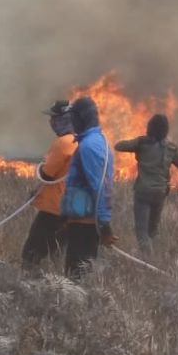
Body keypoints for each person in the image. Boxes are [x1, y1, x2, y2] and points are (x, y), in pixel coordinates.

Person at [114, 114, 178, 255]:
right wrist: (171, 146)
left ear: (149, 127)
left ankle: (148, 259)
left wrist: (139, 143)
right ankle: (156, 255)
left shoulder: (142, 143)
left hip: (143, 192)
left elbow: (119, 146)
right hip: (160, 193)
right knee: (153, 228)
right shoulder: (171, 147)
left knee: (142, 230)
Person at [61, 96, 117, 279]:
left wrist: (105, 225)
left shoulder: (88, 146)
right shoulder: (97, 141)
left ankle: (77, 306)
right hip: (81, 220)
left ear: (81, 118)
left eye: (73, 118)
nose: (72, 123)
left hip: (84, 223)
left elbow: (100, 187)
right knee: (81, 272)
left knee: (76, 276)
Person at [21, 100, 77, 270]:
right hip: (73, 206)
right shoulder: (81, 140)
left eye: (54, 118)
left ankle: (29, 286)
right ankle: (58, 286)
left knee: (31, 251)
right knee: (57, 251)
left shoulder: (63, 143)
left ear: (63, 119)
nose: (51, 122)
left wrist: (43, 166)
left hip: (55, 207)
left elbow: (47, 174)